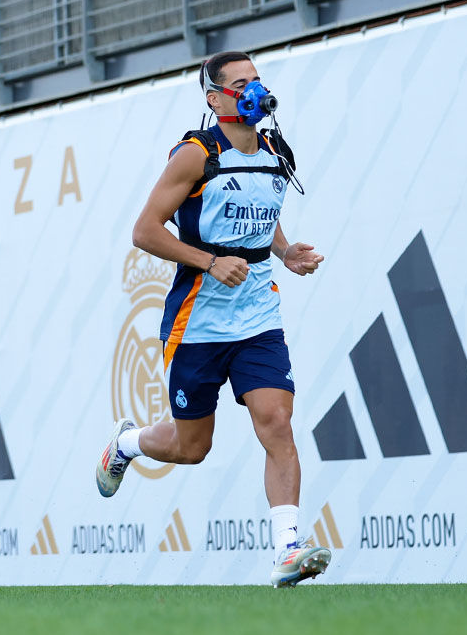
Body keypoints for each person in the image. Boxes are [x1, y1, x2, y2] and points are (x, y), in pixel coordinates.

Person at [96, 51, 330, 587]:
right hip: (196, 320)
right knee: (192, 447)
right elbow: (145, 230)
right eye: (239, 83)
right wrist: (207, 260)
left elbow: (259, 213)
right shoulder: (194, 155)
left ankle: (288, 549)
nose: (252, 90)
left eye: (257, 80)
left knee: (276, 420)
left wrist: (287, 251)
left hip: (257, 313)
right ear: (215, 98)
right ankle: (126, 444)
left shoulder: (275, 150)